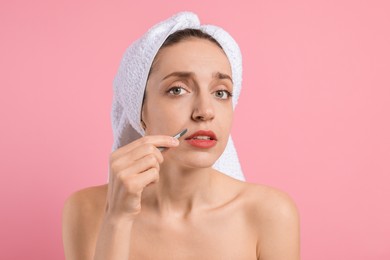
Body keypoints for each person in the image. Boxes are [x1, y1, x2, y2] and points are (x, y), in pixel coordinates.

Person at [62, 12, 300, 260]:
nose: (205, 112)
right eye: (178, 89)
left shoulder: (271, 214)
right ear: (140, 110)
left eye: (221, 93)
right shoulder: (86, 210)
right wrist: (118, 219)